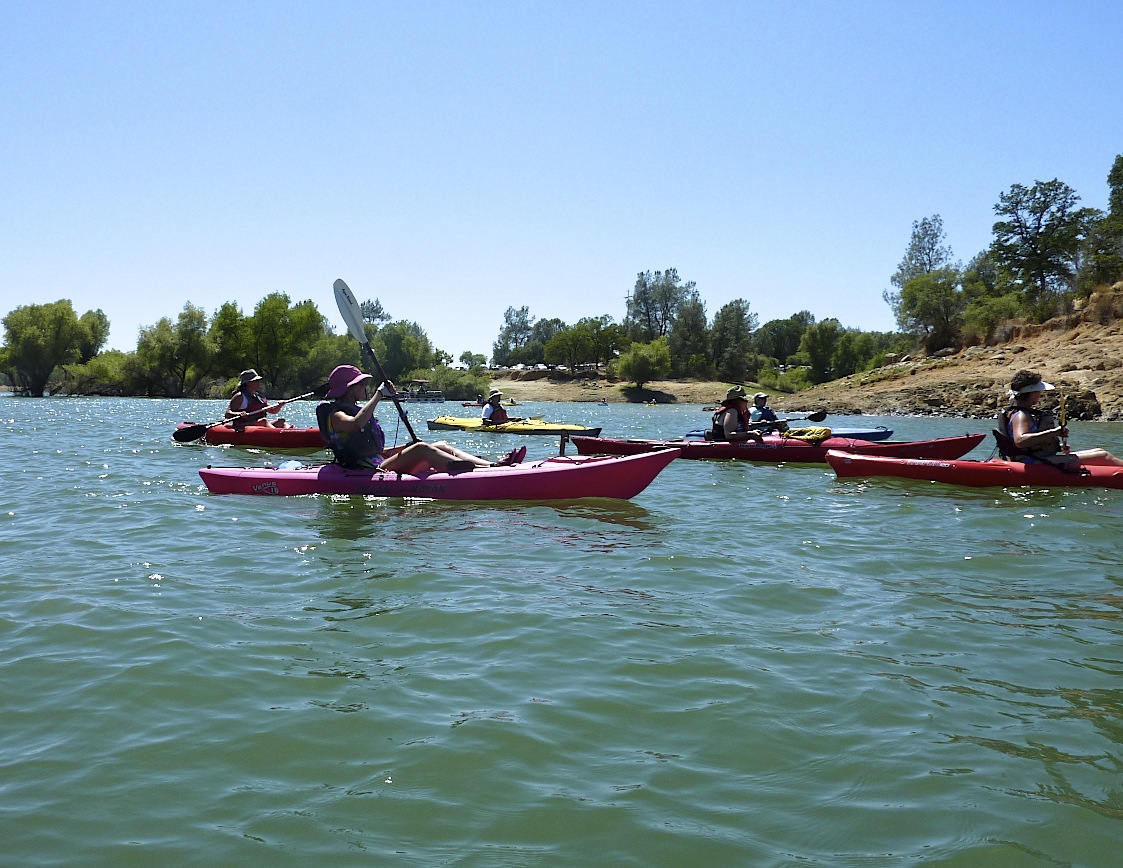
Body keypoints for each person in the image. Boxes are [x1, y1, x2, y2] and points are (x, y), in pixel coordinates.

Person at [317, 365, 525, 472]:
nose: (365, 387)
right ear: (350, 389)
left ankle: (491, 466)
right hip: (366, 469)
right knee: (422, 450)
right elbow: (356, 424)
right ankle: (480, 471)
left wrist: (405, 448)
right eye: (361, 384)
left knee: (440, 445)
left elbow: (375, 451)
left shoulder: (355, 409)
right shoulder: (336, 415)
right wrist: (379, 395)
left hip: (378, 462)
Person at [999, 370, 1123, 467]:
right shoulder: (1022, 415)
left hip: (1035, 458)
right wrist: (1054, 432)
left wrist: (1057, 447)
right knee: (1103, 456)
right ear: (1032, 393)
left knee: (1098, 451)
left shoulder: (1020, 413)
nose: (1040, 395)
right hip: (1033, 462)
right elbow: (1020, 440)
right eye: (1038, 392)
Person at [226, 369, 290, 428]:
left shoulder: (259, 397)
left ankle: (291, 432)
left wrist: (279, 406)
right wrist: (238, 414)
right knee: (264, 421)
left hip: (258, 424)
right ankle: (278, 434)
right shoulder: (239, 396)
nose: (258, 382)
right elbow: (227, 414)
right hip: (244, 426)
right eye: (256, 380)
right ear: (248, 383)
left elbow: (273, 411)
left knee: (281, 422)